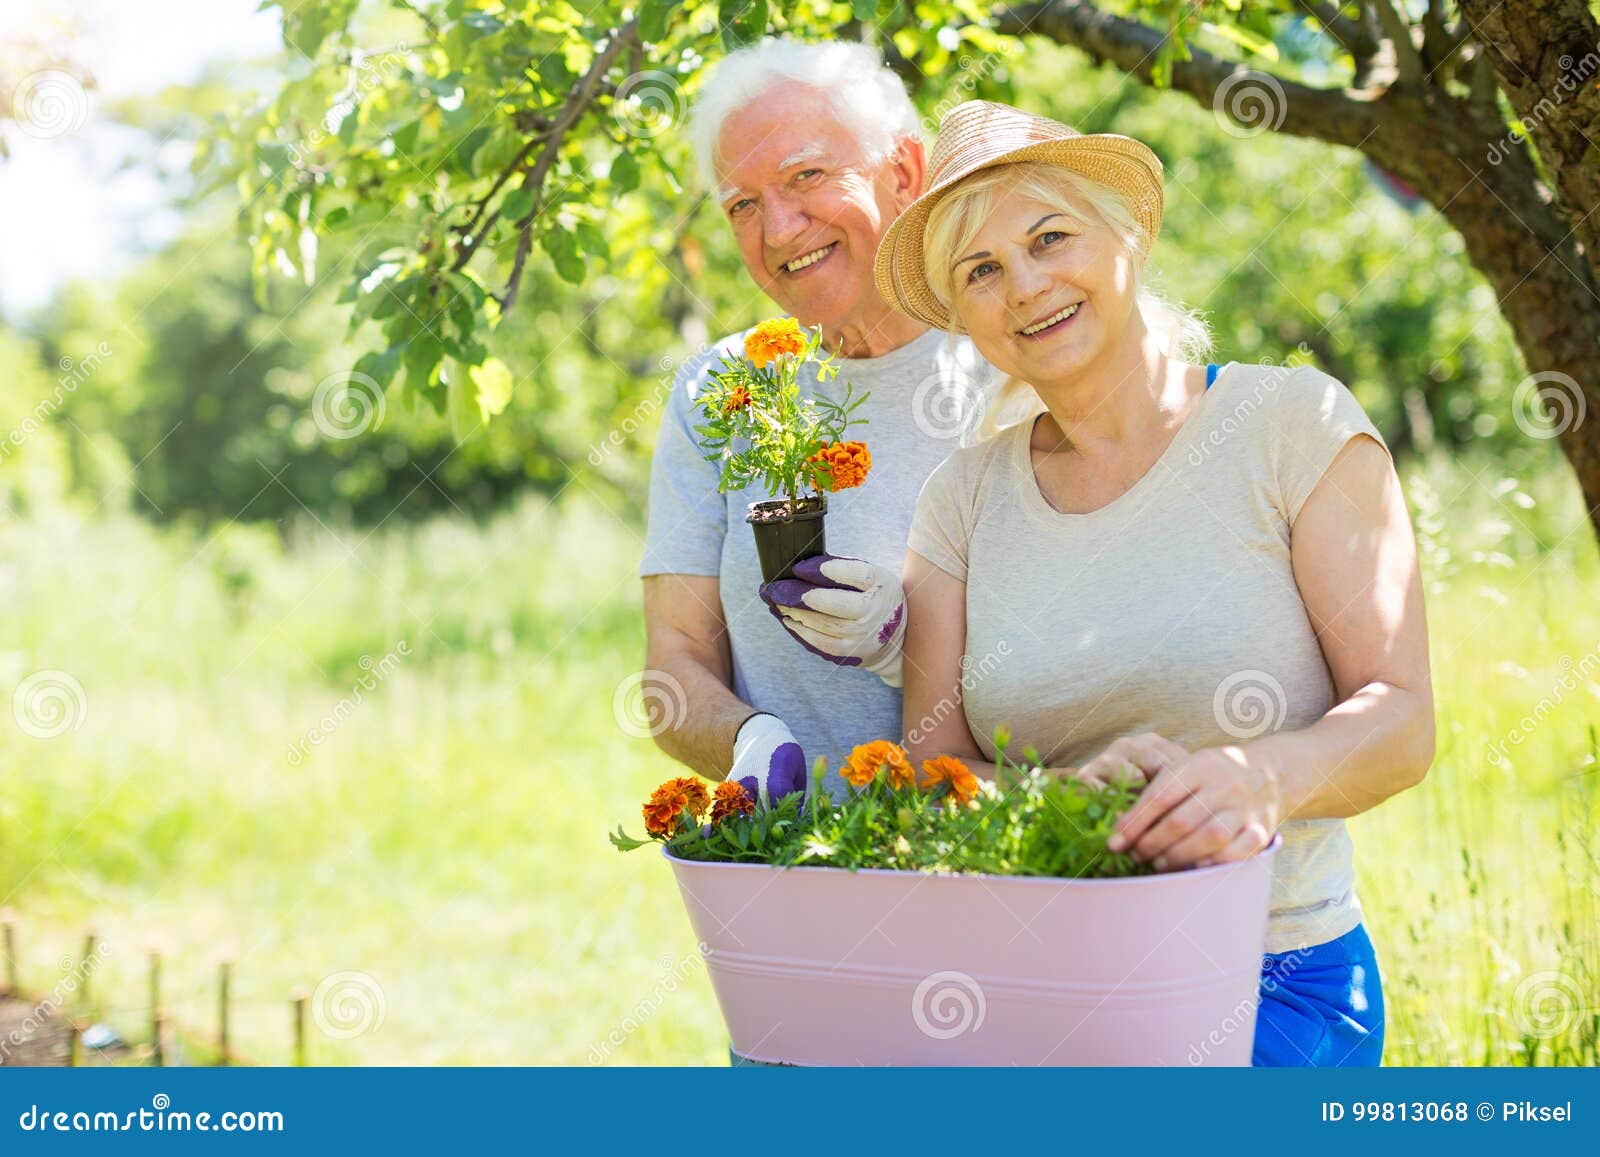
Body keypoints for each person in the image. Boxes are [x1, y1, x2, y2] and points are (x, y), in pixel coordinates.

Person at [880, 101, 1436, 1066]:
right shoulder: (960, 499)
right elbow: (935, 775)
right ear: (963, 319)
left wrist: (1264, 777)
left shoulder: (1291, 423)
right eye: (983, 271)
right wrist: (1062, 803)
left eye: (1050, 237)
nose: (1024, 286)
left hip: (1272, 979)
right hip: (1036, 984)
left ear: (1128, 233)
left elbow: (1403, 721)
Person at [639, 40, 994, 805]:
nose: (778, 230)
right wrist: (749, 738)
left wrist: (910, 644)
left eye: (806, 176)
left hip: (993, 868)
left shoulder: (1014, 363)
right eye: (742, 205)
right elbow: (674, 664)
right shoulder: (721, 391)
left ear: (904, 171)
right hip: (794, 879)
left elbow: (1095, 647)